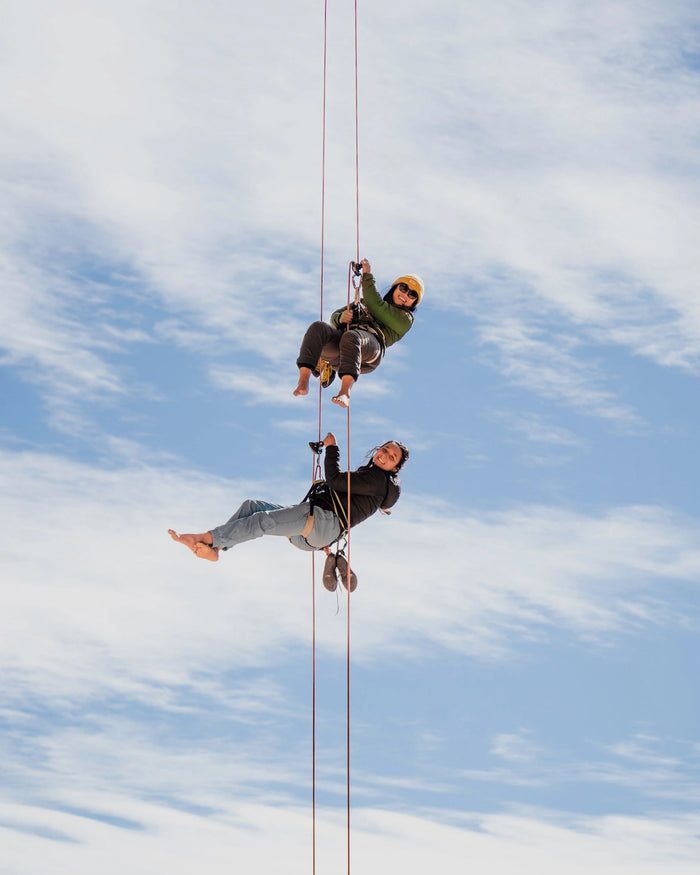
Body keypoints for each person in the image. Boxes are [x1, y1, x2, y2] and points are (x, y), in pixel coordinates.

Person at [168, 433, 409, 562]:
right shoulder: (372, 478)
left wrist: (332, 446)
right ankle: (218, 547)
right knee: (252, 506)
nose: (384, 455)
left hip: (322, 523)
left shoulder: (377, 481)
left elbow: (335, 480)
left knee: (262, 520)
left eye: (391, 457)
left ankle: (206, 538)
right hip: (313, 533)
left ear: (395, 468)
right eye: (385, 450)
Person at [293, 258, 424, 407]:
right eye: (403, 288)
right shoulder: (365, 302)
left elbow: (377, 307)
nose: (406, 294)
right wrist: (340, 318)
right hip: (344, 351)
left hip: (369, 351)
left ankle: (345, 392)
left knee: (351, 337)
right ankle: (303, 381)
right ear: (395, 288)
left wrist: (367, 275)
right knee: (318, 328)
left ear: (413, 303)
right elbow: (335, 316)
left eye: (412, 295)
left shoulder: (405, 319)